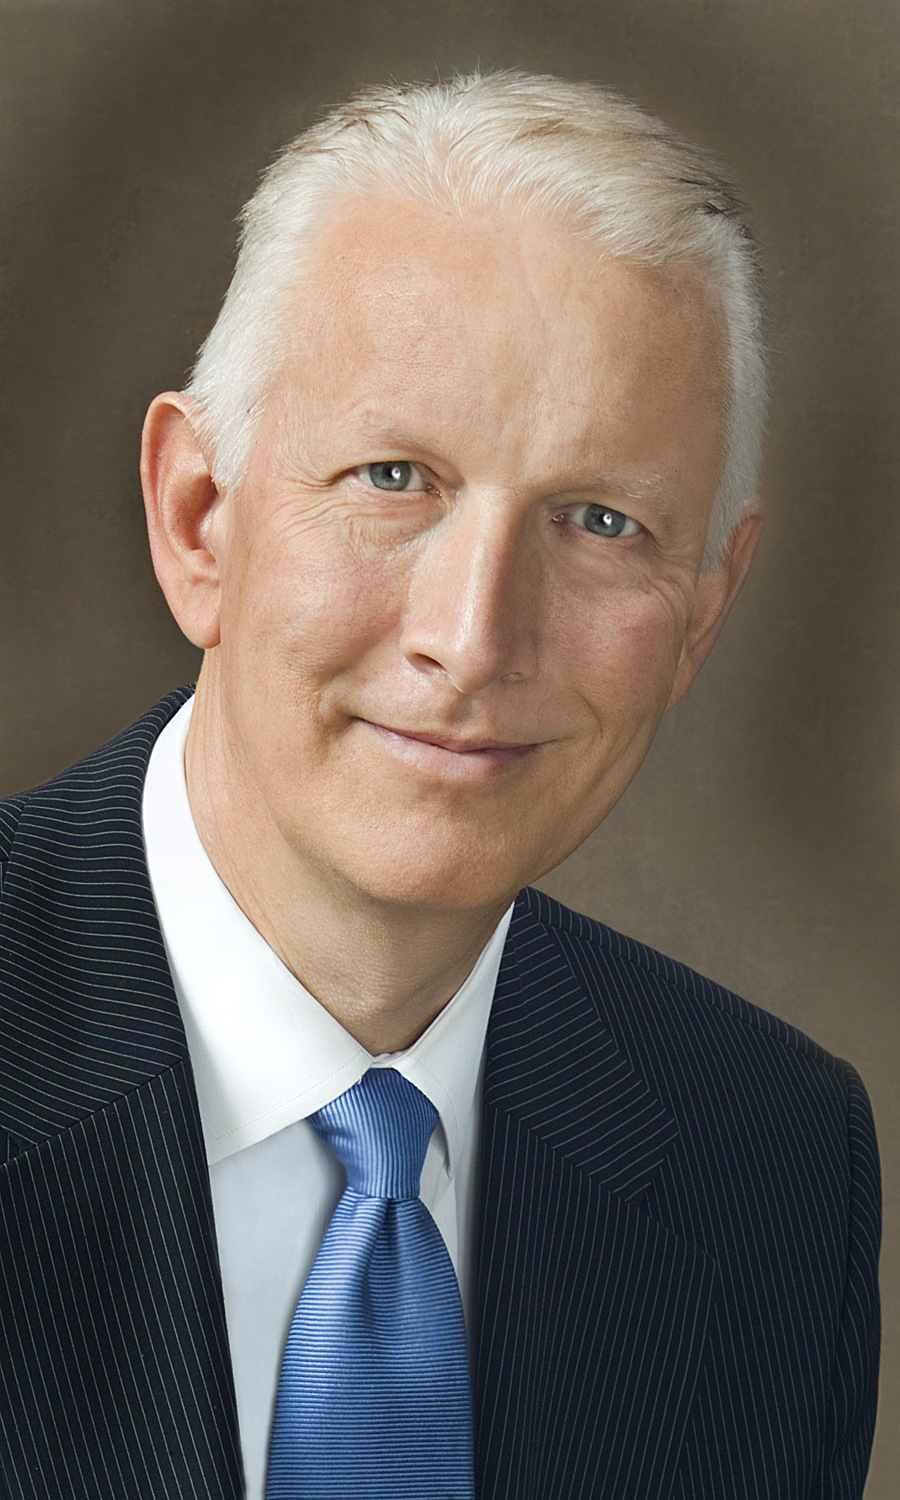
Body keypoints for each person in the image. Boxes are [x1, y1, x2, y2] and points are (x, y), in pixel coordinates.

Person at [0, 69, 880, 1500]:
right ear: (198, 519)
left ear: (701, 618)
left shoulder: (774, 1168)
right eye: (393, 477)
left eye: (599, 520)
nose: (472, 640)